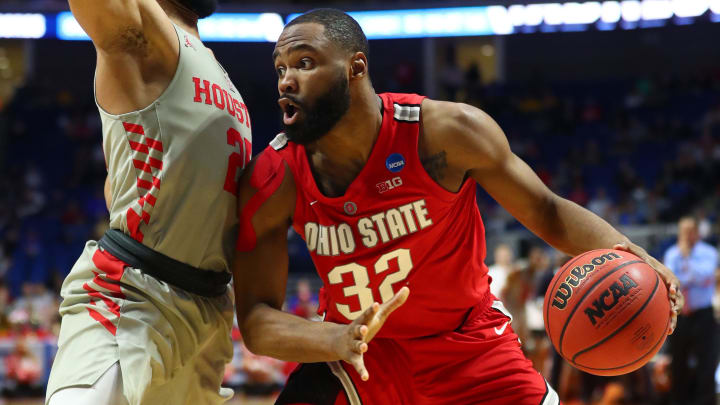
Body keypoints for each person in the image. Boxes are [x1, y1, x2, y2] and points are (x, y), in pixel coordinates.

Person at [233, 9, 682, 405]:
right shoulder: (274, 177)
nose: (287, 80)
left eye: (305, 63)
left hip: (471, 345)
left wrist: (629, 250)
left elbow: (546, 209)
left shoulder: (445, 133)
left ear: (356, 68)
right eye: (280, 68)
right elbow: (255, 320)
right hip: (362, 356)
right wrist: (336, 337)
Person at [46, 0, 252, 404]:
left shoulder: (215, 69)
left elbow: (119, 186)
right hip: (132, 297)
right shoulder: (146, 31)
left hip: (205, 316)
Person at [663, 216, 719, 405]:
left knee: (707, 362)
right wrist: (689, 276)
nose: (686, 235)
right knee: (678, 362)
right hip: (680, 316)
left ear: (696, 232)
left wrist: (686, 261)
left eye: (689, 231)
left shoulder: (709, 252)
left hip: (703, 314)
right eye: (683, 231)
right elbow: (671, 280)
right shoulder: (671, 253)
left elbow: (706, 275)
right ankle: (679, 401)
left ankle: (705, 402)